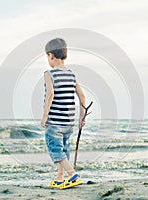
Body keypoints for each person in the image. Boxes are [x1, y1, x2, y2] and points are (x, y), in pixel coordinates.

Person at [41, 38, 86, 189]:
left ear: (51, 56)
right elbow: (82, 96)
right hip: (69, 123)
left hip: (54, 122)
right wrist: (81, 117)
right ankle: (60, 178)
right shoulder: (72, 75)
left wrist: (45, 116)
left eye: (47, 57)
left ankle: (73, 175)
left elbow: (50, 95)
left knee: (55, 149)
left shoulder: (49, 74)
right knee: (64, 149)